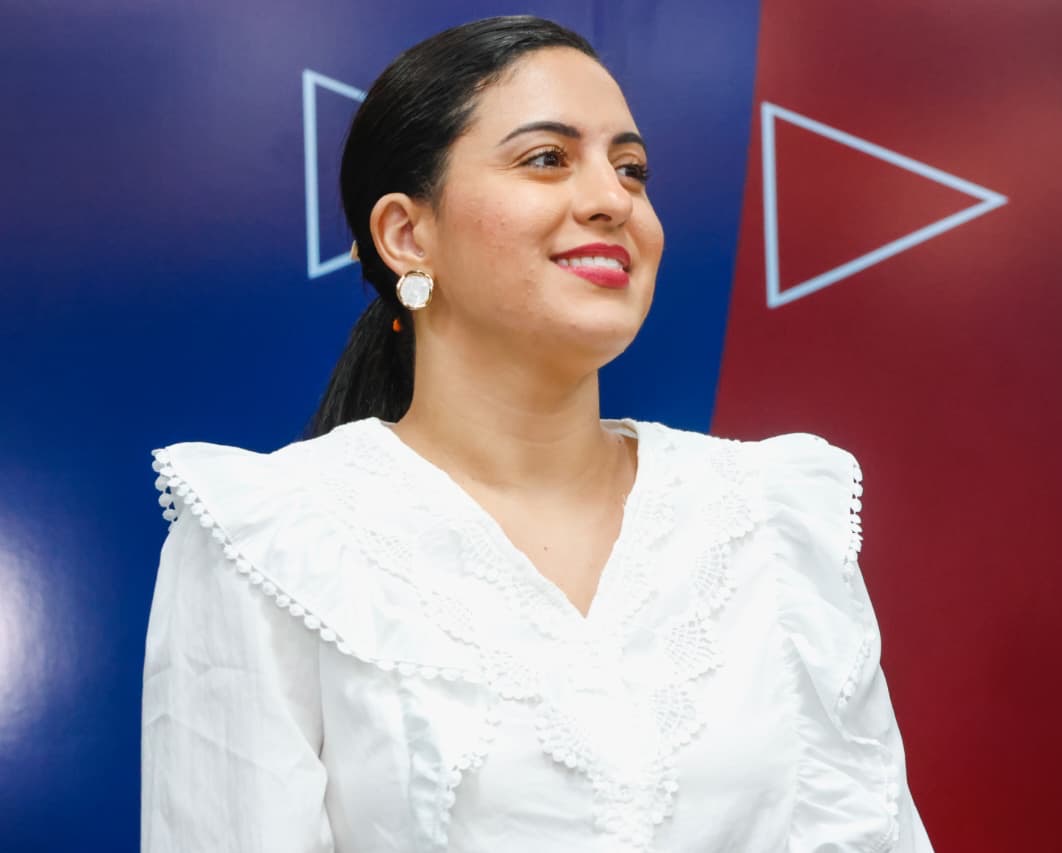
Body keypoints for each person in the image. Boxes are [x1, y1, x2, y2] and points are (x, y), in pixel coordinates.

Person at [140, 15, 932, 853]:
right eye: (548, 158)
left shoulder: (775, 517)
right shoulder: (268, 539)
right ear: (407, 235)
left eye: (631, 169)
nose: (612, 200)